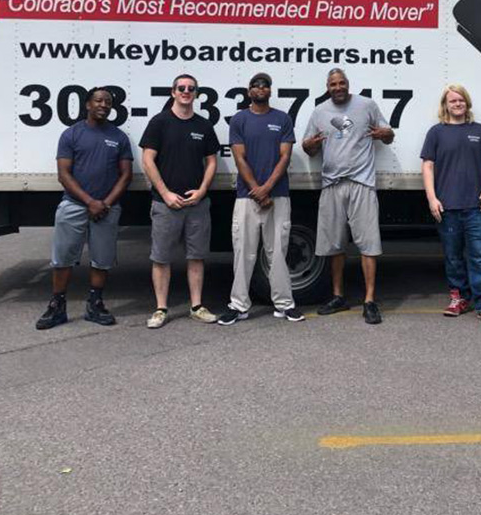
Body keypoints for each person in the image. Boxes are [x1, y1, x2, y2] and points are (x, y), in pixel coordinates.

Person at [302, 68, 394, 324]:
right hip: (332, 184)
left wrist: (384, 134)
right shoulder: (320, 111)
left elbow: (388, 135)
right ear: (327, 86)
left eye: (342, 83)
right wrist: (310, 145)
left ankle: (369, 301)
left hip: (361, 183)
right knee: (335, 245)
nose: (338, 87)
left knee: (368, 245)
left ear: (348, 84)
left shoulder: (366, 105)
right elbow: (308, 147)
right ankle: (338, 296)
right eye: (333, 84)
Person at [36, 87, 133, 330]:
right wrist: (90, 202)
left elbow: (126, 175)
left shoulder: (119, 137)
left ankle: (95, 304)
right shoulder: (71, 134)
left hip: (107, 208)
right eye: (98, 100)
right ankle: (57, 306)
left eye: (108, 102)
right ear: (87, 104)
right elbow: (64, 174)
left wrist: (106, 203)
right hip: (74, 204)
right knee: (63, 258)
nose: (103, 105)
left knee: (102, 259)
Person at [219, 72, 304, 325]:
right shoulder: (239, 120)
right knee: (243, 253)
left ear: (270, 91)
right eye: (256, 85)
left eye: (265, 85)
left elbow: (284, 157)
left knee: (278, 252)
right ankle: (239, 305)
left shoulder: (282, 119)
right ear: (249, 91)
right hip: (247, 197)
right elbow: (239, 158)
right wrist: (256, 189)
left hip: (277, 195)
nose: (260, 89)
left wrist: (266, 188)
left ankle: (284, 305)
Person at [140, 74, 220, 329]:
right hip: (165, 204)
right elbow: (147, 160)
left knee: (196, 257)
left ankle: (196, 306)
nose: (186, 91)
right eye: (181, 88)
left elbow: (212, 162)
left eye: (191, 88)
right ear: (173, 92)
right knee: (161, 258)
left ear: (196, 93)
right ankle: (161, 309)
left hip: (197, 204)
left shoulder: (204, 126)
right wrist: (164, 193)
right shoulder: (159, 122)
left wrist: (202, 190)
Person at [421, 84, 481, 325]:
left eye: (461, 100)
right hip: (447, 207)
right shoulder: (436, 132)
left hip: (475, 207)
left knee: (478, 257)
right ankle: (459, 298)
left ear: (467, 103)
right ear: (445, 105)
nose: (457, 104)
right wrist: (431, 197)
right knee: (454, 257)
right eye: (452, 101)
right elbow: (427, 166)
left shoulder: (480, 130)